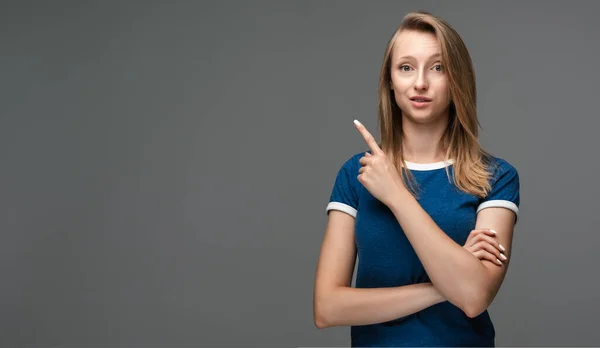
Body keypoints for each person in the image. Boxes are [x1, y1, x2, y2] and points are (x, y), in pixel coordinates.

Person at [313, 11, 520, 347]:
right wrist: (443, 286)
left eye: (438, 68)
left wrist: (396, 194)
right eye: (406, 67)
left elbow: (473, 298)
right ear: (390, 81)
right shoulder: (357, 174)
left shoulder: (495, 177)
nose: (420, 82)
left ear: (457, 80)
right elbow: (327, 308)